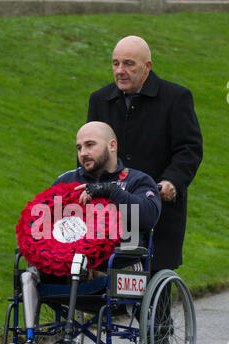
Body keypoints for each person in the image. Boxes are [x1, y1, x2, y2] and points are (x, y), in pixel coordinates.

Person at [4, 121, 161, 344]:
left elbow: (148, 217)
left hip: (119, 268)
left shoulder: (137, 180)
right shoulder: (67, 181)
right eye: (79, 147)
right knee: (29, 269)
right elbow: (45, 222)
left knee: (80, 260)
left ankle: (67, 343)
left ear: (112, 146)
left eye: (90, 145)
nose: (83, 153)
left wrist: (111, 192)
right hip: (67, 270)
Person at [87, 35, 203, 273]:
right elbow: (91, 150)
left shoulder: (176, 98)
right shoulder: (100, 100)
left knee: (153, 294)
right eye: (115, 63)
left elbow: (189, 149)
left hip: (158, 212)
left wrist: (172, 182)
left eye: (129, 64)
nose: (120, 70)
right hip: (109, 215)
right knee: (105, 293)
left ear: (147, 66)